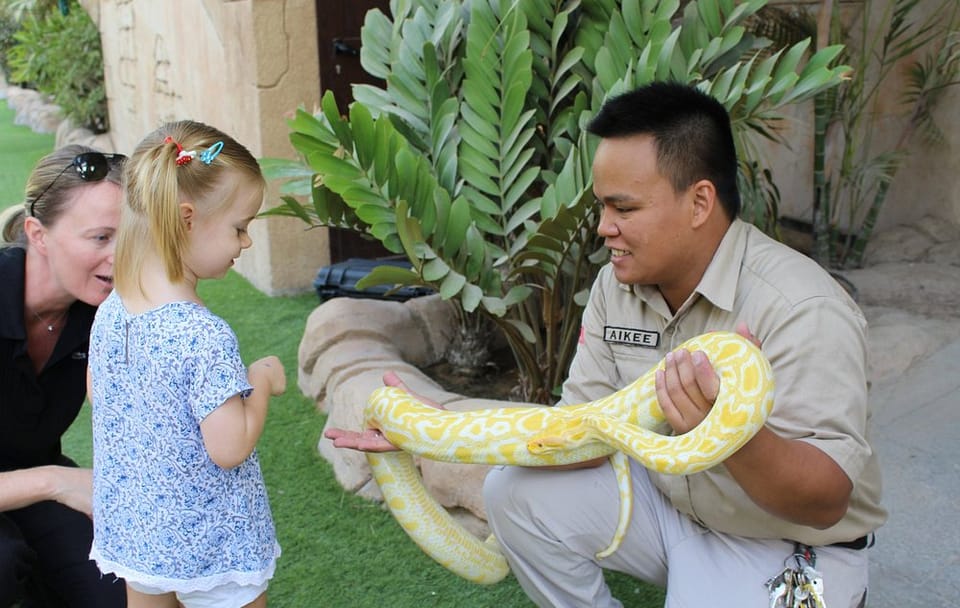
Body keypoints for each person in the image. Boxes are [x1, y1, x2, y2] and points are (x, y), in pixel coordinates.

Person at [327, 81, 887, 607]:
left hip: (793, 544)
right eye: (602, 206)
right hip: (676, 512)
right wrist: (437, 432)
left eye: (625, 208)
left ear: (699, 202)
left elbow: (825, 502)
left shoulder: (803, 306)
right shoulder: (616, 287)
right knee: (512, 492)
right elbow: (579, 436)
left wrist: (728, 434)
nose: (602, 227)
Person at [86, 120, 287, 608]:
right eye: (240, 227)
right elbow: (230, 446)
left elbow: (99, 394)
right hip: (213, 544)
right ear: (186, 219)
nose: (246, 242)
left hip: (141, 538)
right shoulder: (202, 334)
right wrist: (260, 381)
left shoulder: (111, 311)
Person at [0, 145, 127, 606]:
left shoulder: (106, 314)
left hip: (30, 487)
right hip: (39, 482)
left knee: (123, 587)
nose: (122, 256)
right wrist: (56, 481)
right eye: (101, 237)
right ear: (38, 234)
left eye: (132, 236)